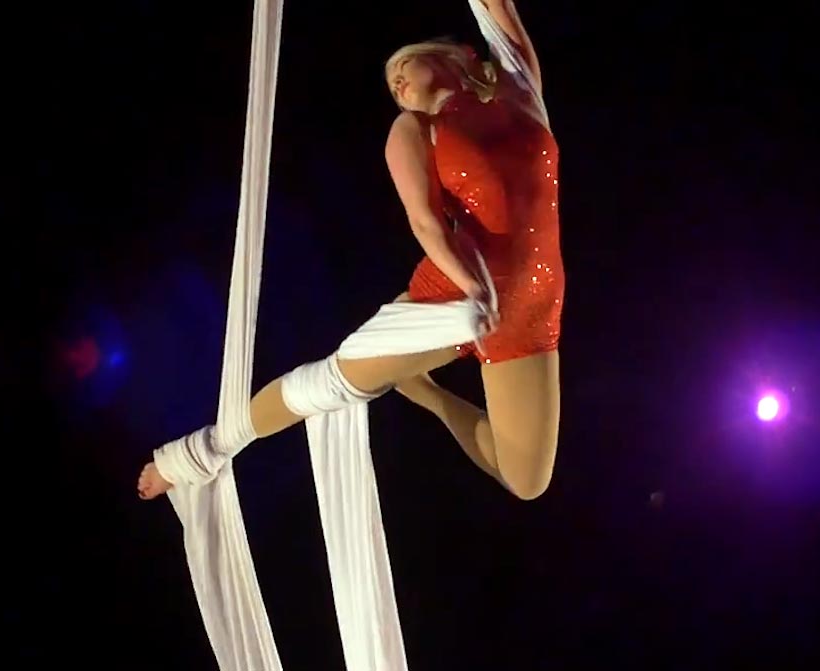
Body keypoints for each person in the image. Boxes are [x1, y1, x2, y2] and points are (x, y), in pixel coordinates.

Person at [138, 0, 562, 501]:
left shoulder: (519, 90)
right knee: (325, 384)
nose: (397, 84)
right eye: (391, 86)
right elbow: (426, 224)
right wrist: (473, 288)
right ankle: (196, 453)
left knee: (527, 482)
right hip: (453, 298)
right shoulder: (413, 132)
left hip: (532, 309)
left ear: (458, 55)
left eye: (402, 67)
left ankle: (424, 392)